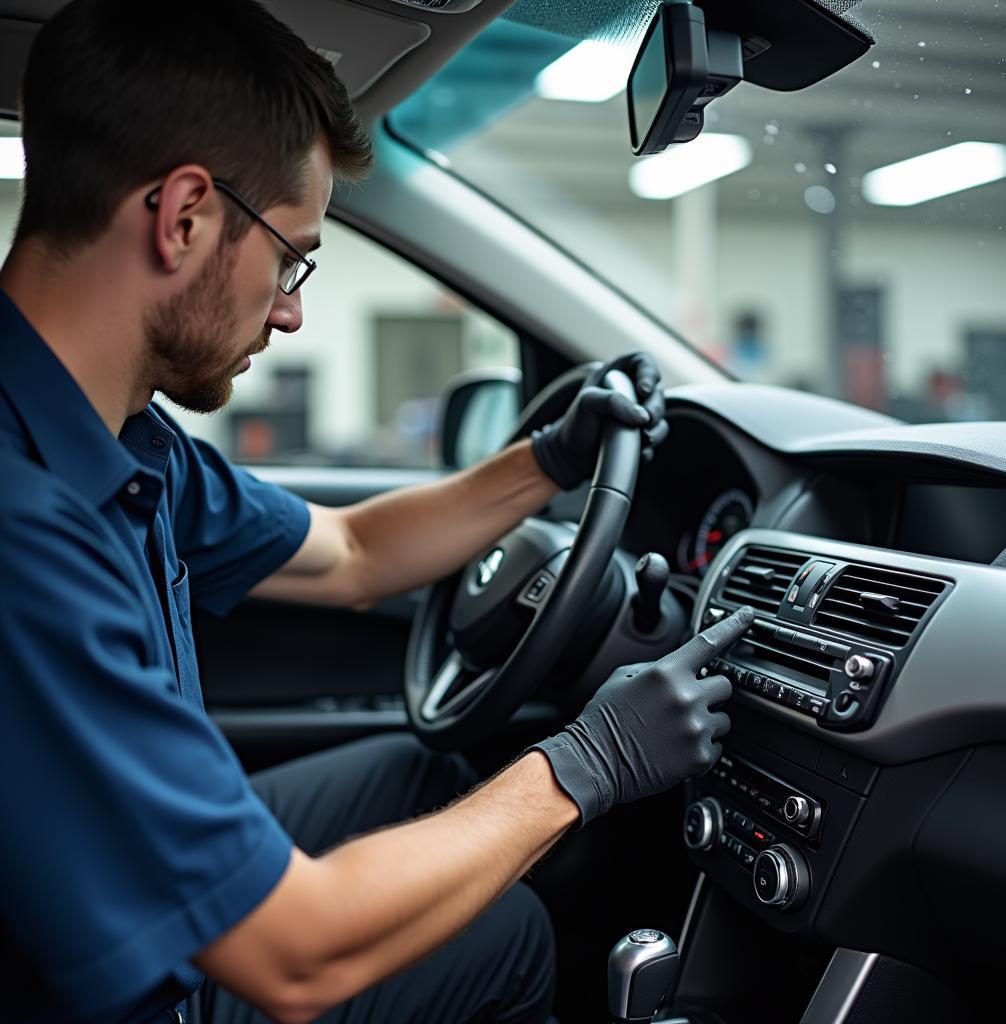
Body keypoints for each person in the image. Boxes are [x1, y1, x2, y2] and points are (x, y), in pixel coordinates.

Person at [0, 1, 750, 1022]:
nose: (290, 308)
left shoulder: (121, 439)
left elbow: (350, 551)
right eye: (291, 256)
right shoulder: (25, 531)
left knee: (417, 769)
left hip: (107, 912)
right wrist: (589, 762)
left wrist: (547, 458)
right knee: (512, 941)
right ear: (182, 217)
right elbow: (291, 953)